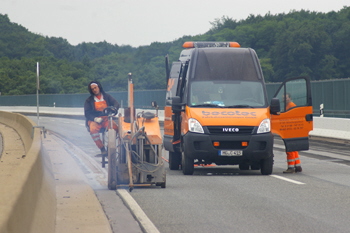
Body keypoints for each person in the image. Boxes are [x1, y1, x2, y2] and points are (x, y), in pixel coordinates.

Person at [84, 81, 119, 155]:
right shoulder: (89, 101)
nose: (94, 90)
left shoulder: (107, 97)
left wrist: (114, 109)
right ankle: (102, 149)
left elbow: (116, 103)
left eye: (95, 88)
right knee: (93, 130)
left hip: (106, 118)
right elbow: (87, 113)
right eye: (92, 89)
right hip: (95, 120)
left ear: (99, 87)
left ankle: (110, 146)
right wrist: (95, 119)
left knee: (115, 127)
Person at [283, 93, 302, 173]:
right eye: (284, 98)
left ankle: (291, 167)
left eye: (286, 98)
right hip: (291, 129)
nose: (285, 99)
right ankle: (298, 166)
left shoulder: (291, 105)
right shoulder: (287, 105)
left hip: (290, 129)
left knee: (290, 149)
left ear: (290, 98)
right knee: (294, 149)